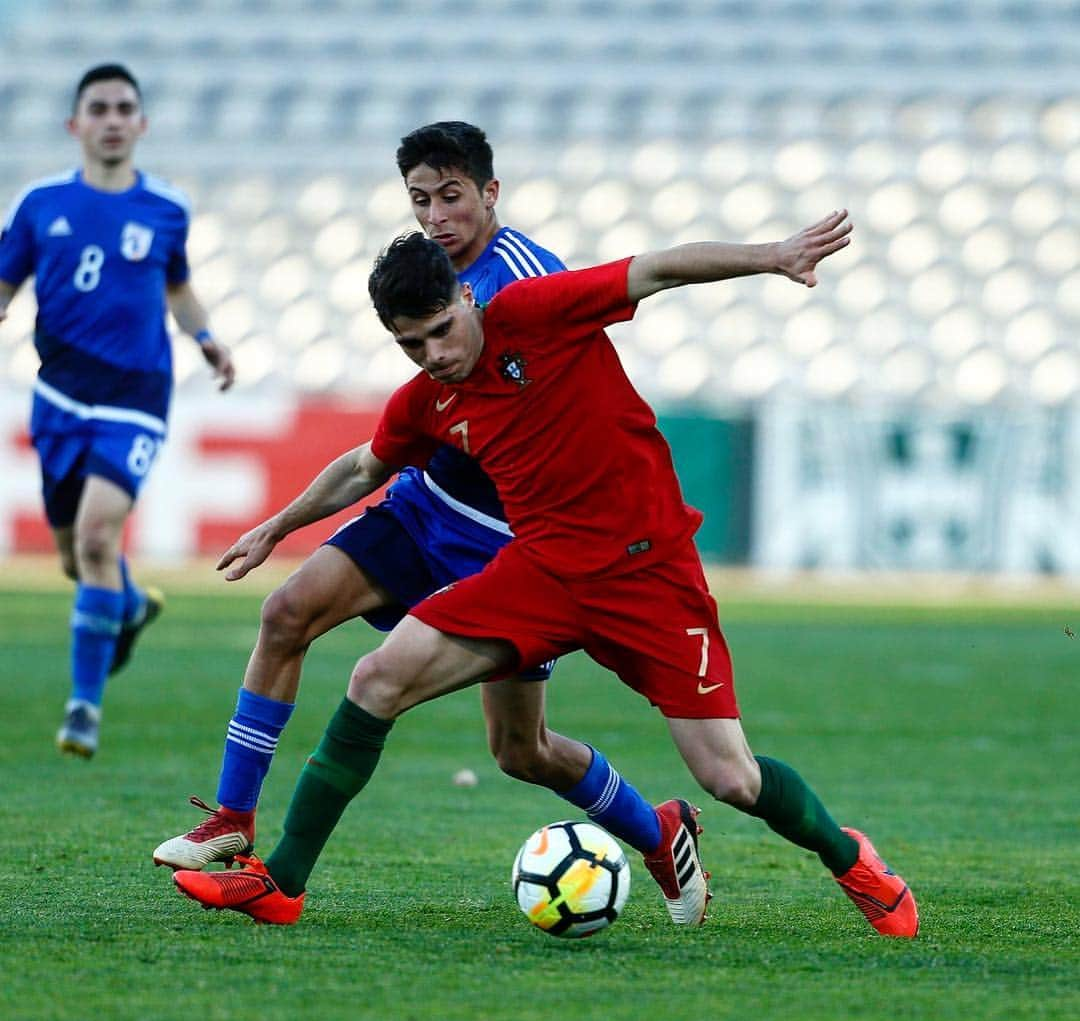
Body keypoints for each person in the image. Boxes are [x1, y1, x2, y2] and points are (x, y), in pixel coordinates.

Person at [172, 212, 920, 938]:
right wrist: (278, 525)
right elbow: (366, 466)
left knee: (732, 779)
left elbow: (655, 269)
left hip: (648, 572)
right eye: (411, 344)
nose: (433, 353)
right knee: (377, 678)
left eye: (440, 329)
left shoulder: (533, 310)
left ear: (468, 297)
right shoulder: (428, 401)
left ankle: (849, 857)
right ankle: (283, 883)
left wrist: (774, 254)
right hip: (542, 572)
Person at [153, 122, 713, 927]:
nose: (436, 216)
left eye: (451, 196)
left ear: (490, 192)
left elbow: (568, 395)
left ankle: (658, 833)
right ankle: (233, 823)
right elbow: (391, 442)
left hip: (511, 540)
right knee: (286, 613)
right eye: (421, 200)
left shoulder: (522, 283)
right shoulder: (424, 278)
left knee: (521, 750)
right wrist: (278, 524)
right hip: (426, 507)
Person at [0, 63, 234, 758]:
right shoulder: (41, 203)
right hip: (59, 396)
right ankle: (128, 604)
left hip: (136, 395)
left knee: (101, 538)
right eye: (97, 107)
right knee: (77, 558)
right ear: (76, 124)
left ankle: (83, 709)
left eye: (123, 107)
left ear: (141, 124)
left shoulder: (166, 208)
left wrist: (207, 339)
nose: (110, 118)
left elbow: (179, 288)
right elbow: (6, 279)